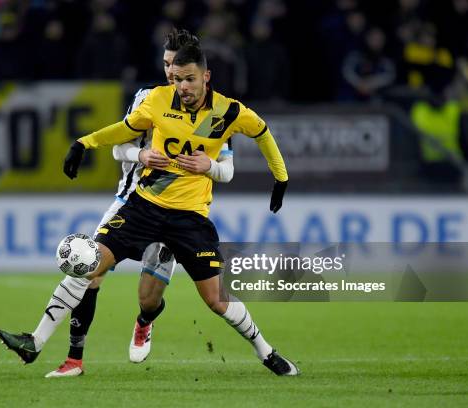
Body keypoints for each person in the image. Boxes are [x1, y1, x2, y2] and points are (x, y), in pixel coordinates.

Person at [0, 29, 235, 377]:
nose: (171, 72)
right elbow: (117, 147)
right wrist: (140, 153)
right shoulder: (148, 99)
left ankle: (144, 321)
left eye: (177, 65)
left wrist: (210, 167)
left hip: (176, 212)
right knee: (88, 273)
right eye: (167, 64)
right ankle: (68, 357)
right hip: (132, 203)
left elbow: (224, 162)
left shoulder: (212, 108)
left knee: (148, 299)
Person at [61, 44, 297, 376]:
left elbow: (262, 132)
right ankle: (70, 356)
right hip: (145, 207)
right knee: (91, 266)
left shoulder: (227, 112)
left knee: (215, 300)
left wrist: (280, 177)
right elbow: (124, 131)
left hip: (189, 219)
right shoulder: (158, 100)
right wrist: (84, 143)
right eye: (177, 79)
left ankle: (266, 352)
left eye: (189, 79)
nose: (183, 86)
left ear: (206, 77)